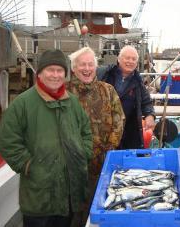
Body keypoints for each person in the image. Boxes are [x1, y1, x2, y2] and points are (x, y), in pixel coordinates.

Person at [0, 49, 92, 227]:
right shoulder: (23, 103)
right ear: (40, 73)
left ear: (65, 74)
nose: (55, 75)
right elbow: (7, 139)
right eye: (50, 70)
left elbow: (86, 131)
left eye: (59, 71)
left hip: (69, 194)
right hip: (39, 196)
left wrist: (83, 153)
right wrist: (27, 165)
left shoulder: (72, 103)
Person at [67, 47, 125, 226]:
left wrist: (109, 149)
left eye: (90, 64)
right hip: (71, 167)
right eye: (82, 65)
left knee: (97, 210)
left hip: (101, 164)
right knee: (71, 212)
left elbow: (119, 120)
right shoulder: (64, 93)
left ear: (95, 66)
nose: (87, 69)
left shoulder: (107, 90)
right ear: (74, 68)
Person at [97, 45, 155, 149]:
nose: (130, 61)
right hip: (103, 128)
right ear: (119, 59)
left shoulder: (137, 82)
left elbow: (146, 102)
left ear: (136, 63)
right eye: (127, 58)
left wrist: (150, 115)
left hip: (127, 130)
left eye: (133, 59)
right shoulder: (105, 74)